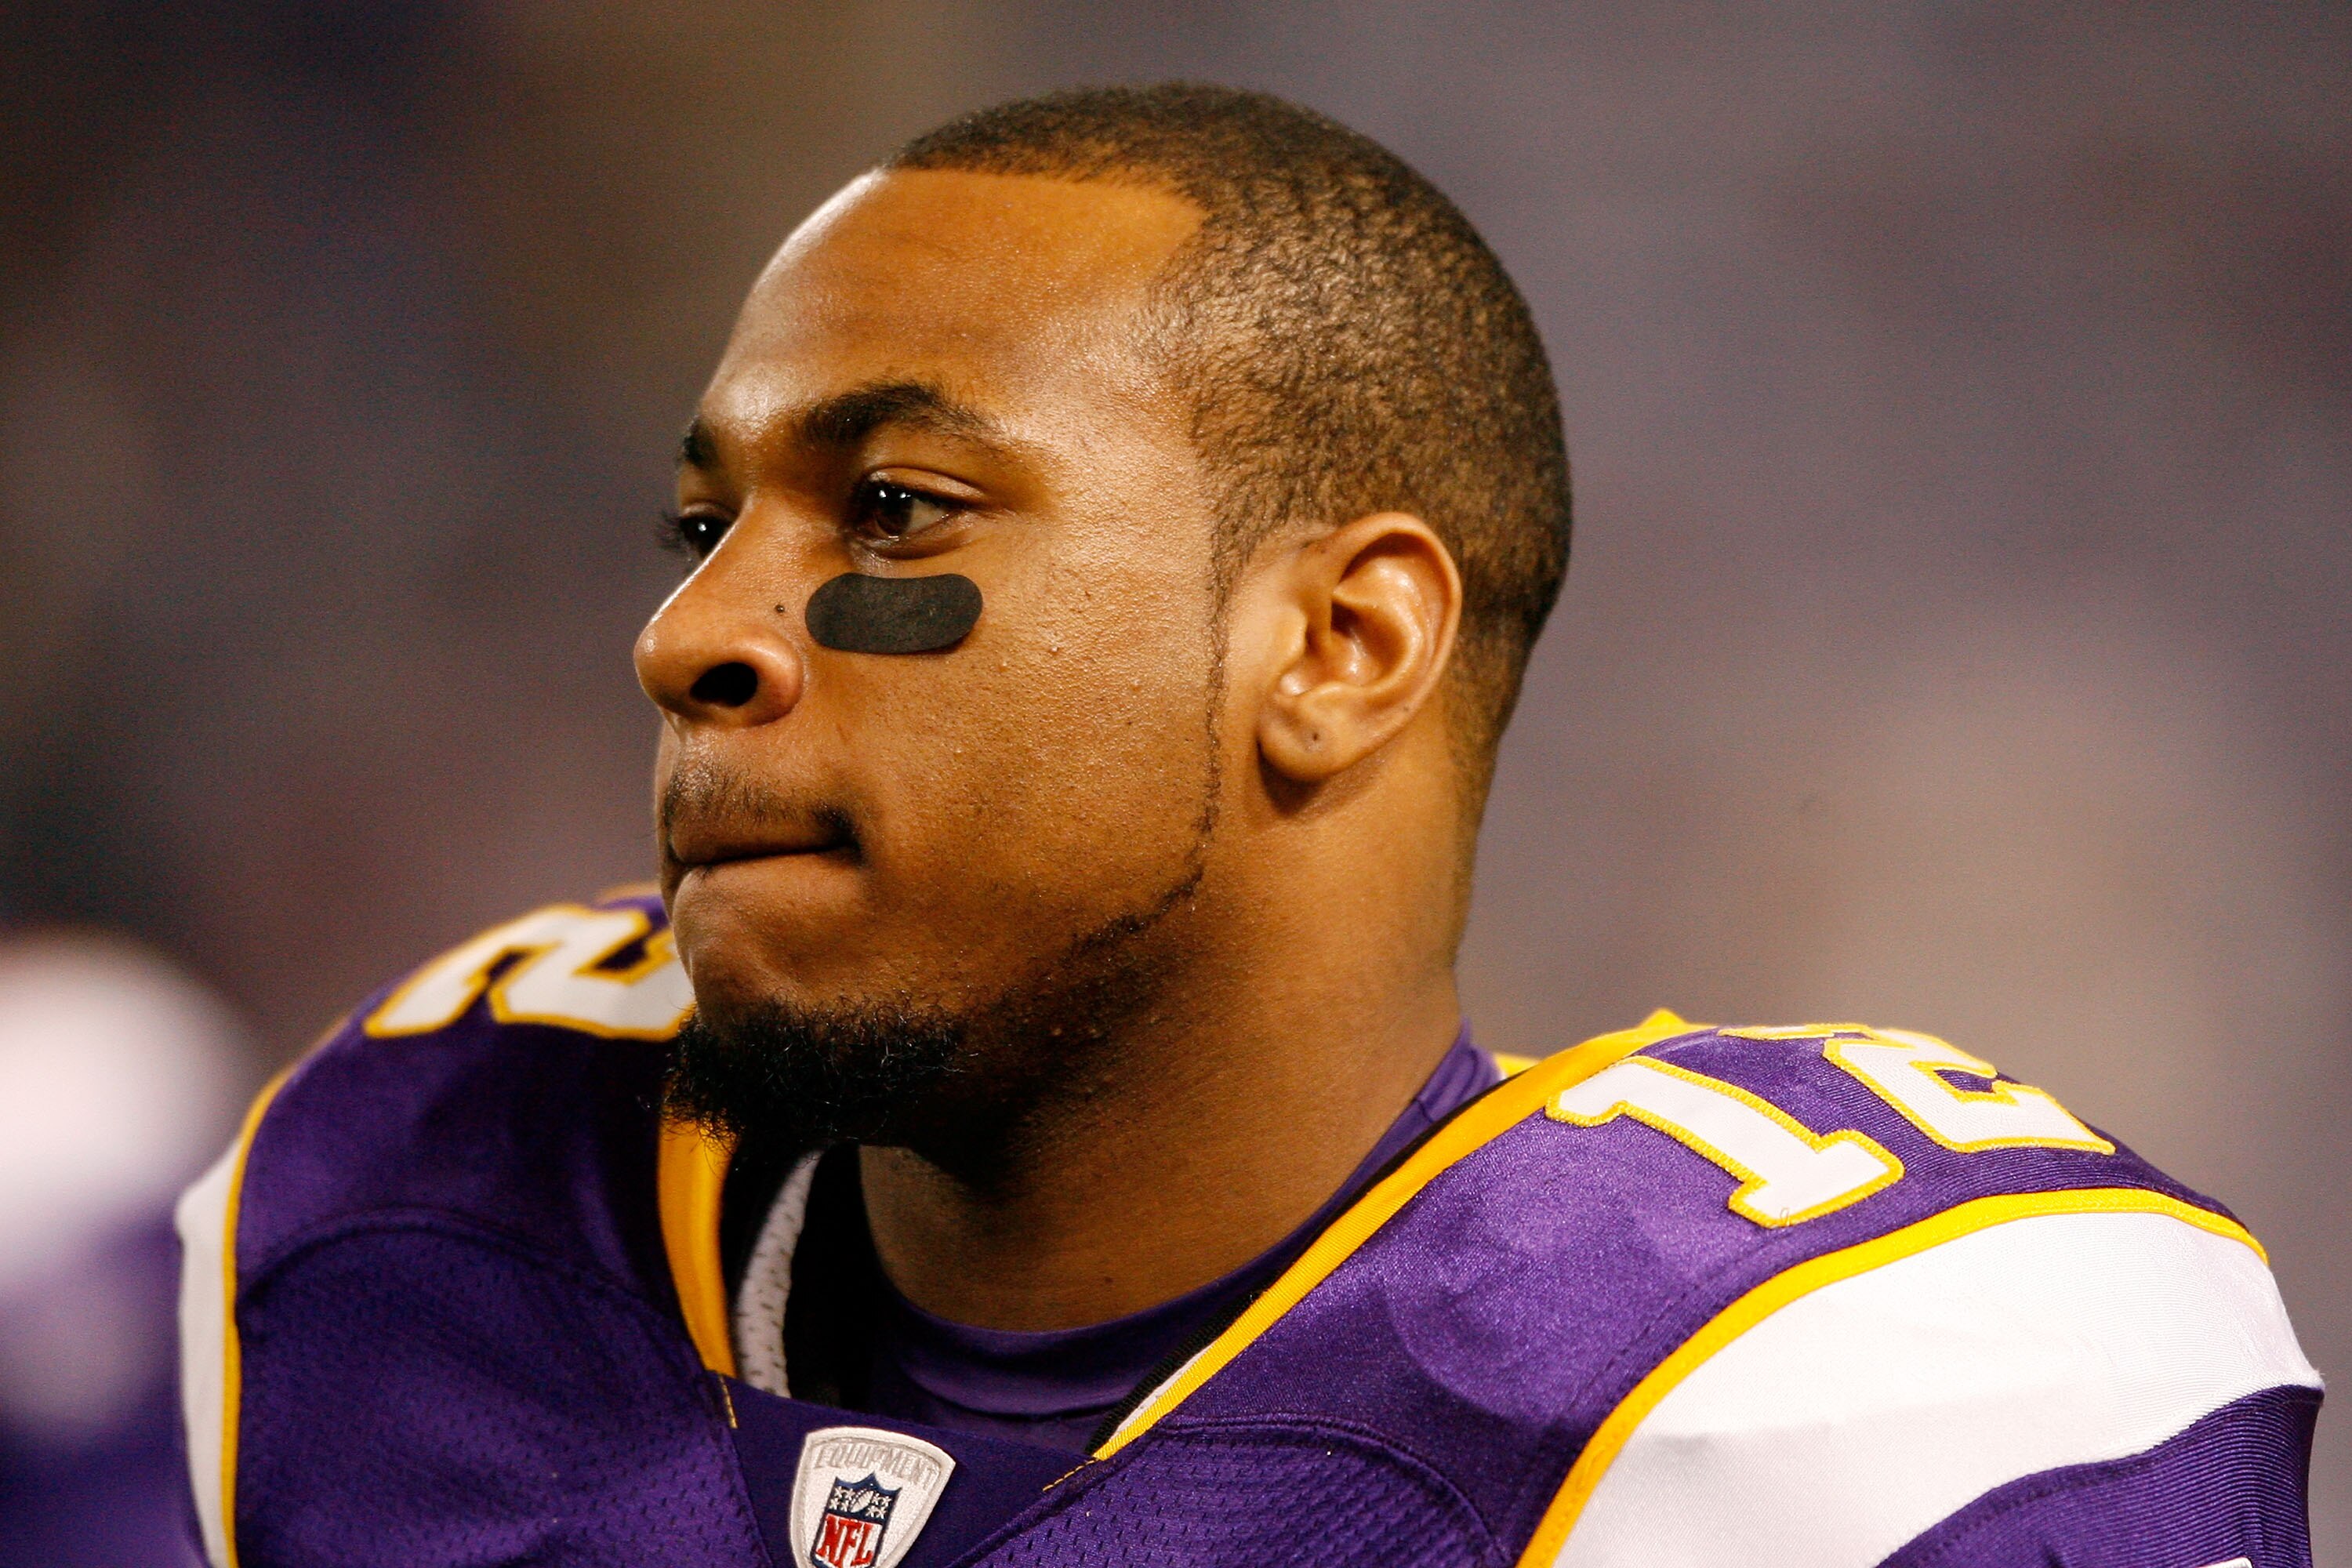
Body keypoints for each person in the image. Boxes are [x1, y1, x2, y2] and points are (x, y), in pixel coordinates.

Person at [176, 84, 2320, 1568]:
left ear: (1340, 643)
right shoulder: (406, 1228)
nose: (692, 633)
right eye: (697, 522)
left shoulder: (1830, 1412)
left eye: (896, 509)